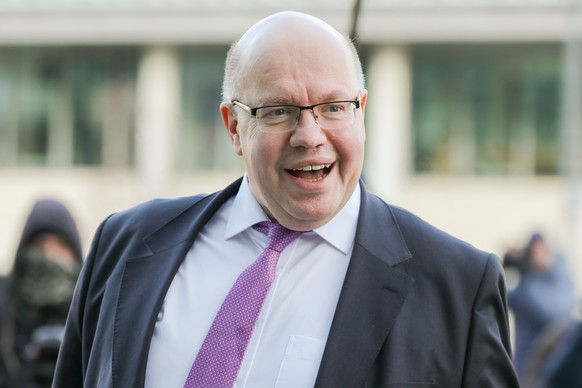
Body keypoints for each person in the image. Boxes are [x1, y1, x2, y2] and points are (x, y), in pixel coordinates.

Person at [52, 11, 519, 388]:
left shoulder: (456, 287)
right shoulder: (127, 243)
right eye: (278, 111)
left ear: (362, 112)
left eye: (334, 108)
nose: (310, 136)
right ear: (234, 127)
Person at [0, 199, 83, 388]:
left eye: (60, 245)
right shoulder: (5, 305)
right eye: (41, 244)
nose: (50, 253)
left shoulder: (89, 308)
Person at [505, 233, 576, 385]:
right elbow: (499, 297)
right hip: (525, 373)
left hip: (549, 376)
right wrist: (509, 264)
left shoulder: (558, 281)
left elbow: (555, 315)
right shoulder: (526, 284)